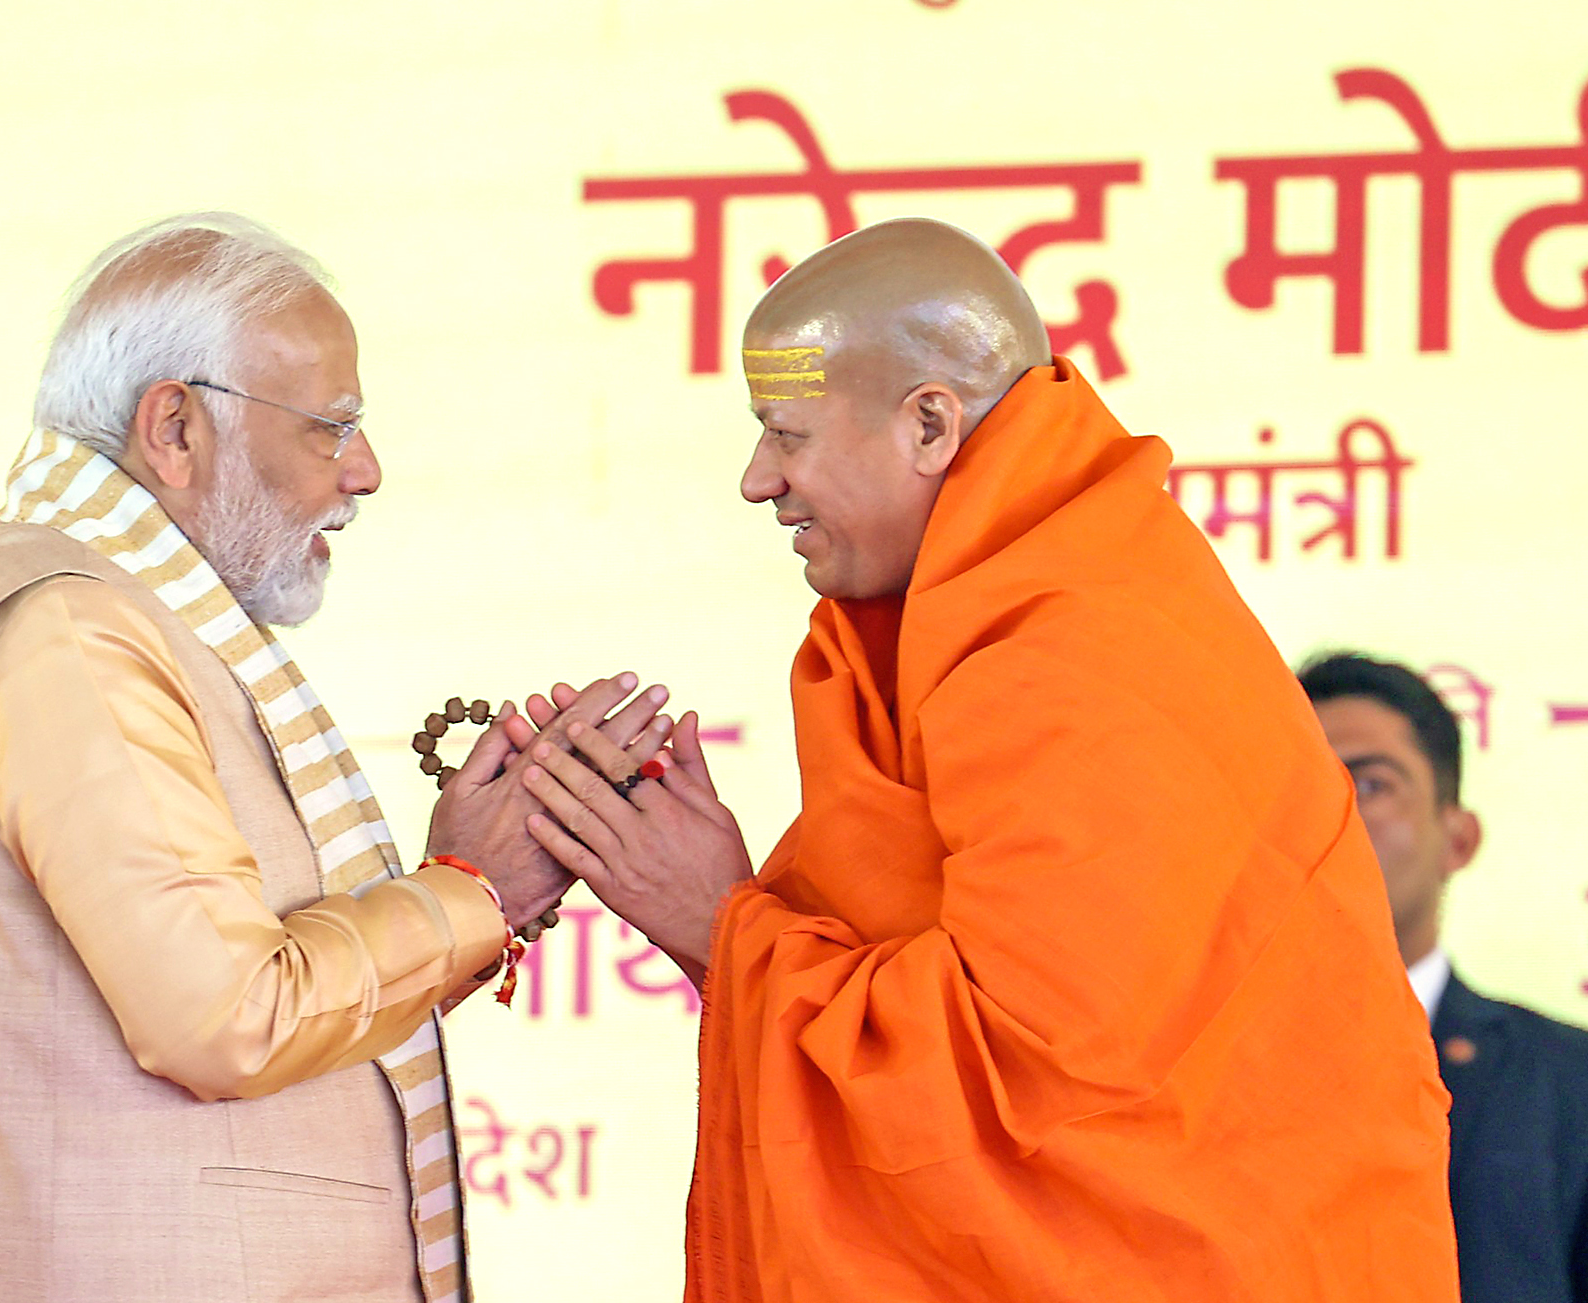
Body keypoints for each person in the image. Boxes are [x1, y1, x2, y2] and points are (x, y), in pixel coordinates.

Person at [513, 218, 1459, 1301]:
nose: (755, 480)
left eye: (787, 433)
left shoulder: (1077, 652)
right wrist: (732, 924)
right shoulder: (952, 626)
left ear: (928, 423)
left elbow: (1026, 1090)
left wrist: (723, 921)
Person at [0, 213, 667, 1303]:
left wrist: (455, 885)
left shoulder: (119, 611)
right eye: (330, 426)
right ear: (175, 428)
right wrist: (466, 895)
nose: (366, 470)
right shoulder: (70, 628)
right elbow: (224, 1015)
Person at [1301, 651, 1588, 1303]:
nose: (1331, 817)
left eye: (1369, 785)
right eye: (1303, 788)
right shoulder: (1185, 1083)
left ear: (1457, 838)